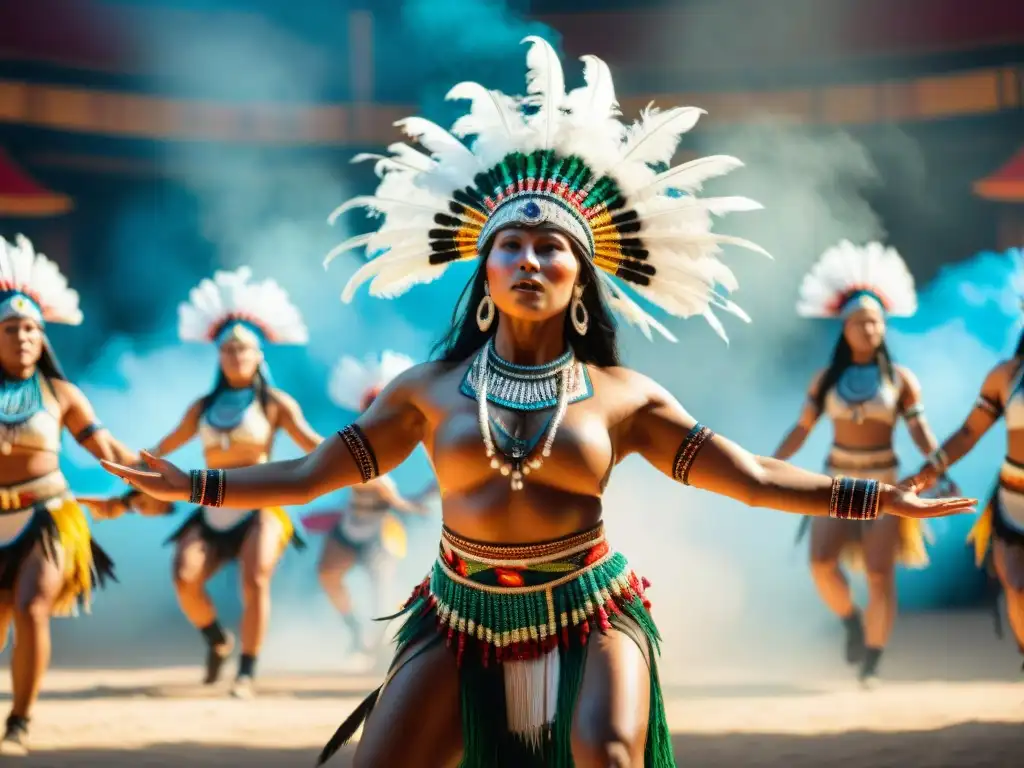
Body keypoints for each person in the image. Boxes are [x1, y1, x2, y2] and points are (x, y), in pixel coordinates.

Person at [99, 39, 975, 768]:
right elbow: (309, 474)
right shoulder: (425, 392)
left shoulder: (626, 397)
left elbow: (747, 476)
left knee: (611, 754)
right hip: (458, 616)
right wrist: (192, 485)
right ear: (481, 272)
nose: (528, 259)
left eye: (550, 247)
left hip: (588, 612)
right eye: (509, 244)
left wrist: (870, 497)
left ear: (581, 280)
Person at [91, 267, 323, 699]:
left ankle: (247, 671)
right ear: (218, 356)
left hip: (260, 506)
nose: (235, 356)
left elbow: (315, 444)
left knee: (255, 580)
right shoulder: (202, 407)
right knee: (185, 576)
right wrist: (129, 488)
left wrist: (363, 457)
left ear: (259, 356)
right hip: (212, 507)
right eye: (228, 349)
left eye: (243, 349)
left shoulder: (275, 404)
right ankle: (217, 640)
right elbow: (160, 451)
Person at [772, 241, 953, 686]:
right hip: (836, 480)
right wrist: (767, 465)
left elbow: (919, 431)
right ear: (844, 328)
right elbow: (801, 429)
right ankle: (851, 621)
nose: (868, 329)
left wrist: (939, 469)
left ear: (884, 326)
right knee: (821, 563)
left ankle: (871, 659)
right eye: (859, 322)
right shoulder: (826, 380)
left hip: (885, 483)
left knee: (878, 572)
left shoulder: (900, 380)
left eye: (874, 321)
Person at [0, 234, 145, 754]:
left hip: (48, 515)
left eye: (32, 329)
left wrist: (148, 479)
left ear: (44, 339)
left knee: (31, 607)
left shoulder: (61, 394)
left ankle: (18, 721)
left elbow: (107, 449)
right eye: (12, 328)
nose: (23, 337)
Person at [903, 260, 1024, 674]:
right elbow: (970, 433)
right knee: (1016, 586)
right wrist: (928, 472)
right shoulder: (1006, 377)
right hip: (1012, 498)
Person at [303, 350, 436, 659]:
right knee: (327, 573)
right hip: (351, 525)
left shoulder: (407, 438)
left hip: (380, 530)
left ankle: (380, 649)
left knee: (382, 591)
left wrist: (418, 497)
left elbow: (401, 487)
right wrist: (401, 500)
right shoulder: (350, 440)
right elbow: (354, 478)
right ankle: (355, 630)